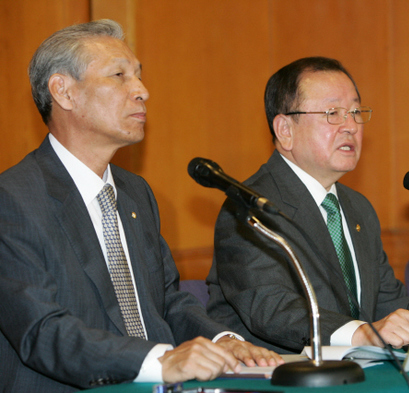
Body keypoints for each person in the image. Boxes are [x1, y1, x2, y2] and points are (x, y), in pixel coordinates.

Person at [0, 19, 282, 392]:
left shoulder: (135, 193)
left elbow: (168, 302)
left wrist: (221, 341)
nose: (142, 91)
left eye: (139, 76)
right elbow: (43, 331)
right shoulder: (13, 198)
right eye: (119, 75)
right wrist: (159, 361)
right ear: (64, 92)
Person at [206, 57, 409, 354]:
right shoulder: (249, 207)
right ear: (285, 130)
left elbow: (387, 301)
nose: (350, 125)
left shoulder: (357, 207)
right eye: (333, 113)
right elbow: (272, 309)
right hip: (278, 374)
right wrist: (361, 333)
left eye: (355, 112)